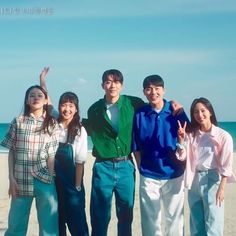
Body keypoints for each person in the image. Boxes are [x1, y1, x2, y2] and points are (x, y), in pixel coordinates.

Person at [82, 69, 145, 236]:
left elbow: (155, 109)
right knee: (100, 215)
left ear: (122, 85)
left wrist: (173, 106)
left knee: (126, 214)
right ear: (102, 85)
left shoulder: (134, 103)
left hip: (126, 165)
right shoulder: (94, 109)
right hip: (103, 166)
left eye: (116, 82)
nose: (112, 85)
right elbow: (78, 125)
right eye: (108, 82)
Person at [131, 74, 189, 236]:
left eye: (157, 88)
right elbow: (135, 146)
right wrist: (141, 168)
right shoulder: (140, 114)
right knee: (150, 220)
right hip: (148, 175)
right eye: (149, 89)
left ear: (164, 90)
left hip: (174, 173)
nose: (153, 92)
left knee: (175, 219)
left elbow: (190, 138)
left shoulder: (176, 111)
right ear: (144, 92)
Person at [1, 84, 59, 236]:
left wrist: (50, 178)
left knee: (49, 227)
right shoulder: (18, 121)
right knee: (16, 226)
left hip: (44, 180)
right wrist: (11, 178)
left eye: (40, 95)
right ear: (27, 101)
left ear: (46, 100)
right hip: (21, 180)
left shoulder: (52, 123)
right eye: (32, 95)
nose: (35, 98)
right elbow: (12, 151)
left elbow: (51, 154)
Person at [176, 97, 236, 236]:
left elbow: (227, 165)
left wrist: (222, 188)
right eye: (196, 112)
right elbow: (182, 156)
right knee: (197, 223)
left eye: (203, 110)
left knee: (214, 222)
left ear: (210, 112)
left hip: (213, 178)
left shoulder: (223, 136)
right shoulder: (191, 134)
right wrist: (180, 141)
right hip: (194, 178)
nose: (200, 115)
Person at [40, 68, 89, 236]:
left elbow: (80, 162)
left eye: (71, 106)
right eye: (64, 105)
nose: (66, 109)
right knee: (58, 220)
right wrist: (42, 81)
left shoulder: (80, 130)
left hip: (72, 182)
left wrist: (76, 186)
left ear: (76, 109)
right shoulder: (54, 122)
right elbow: (47, 102)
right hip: (55, 182)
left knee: (77, 222)